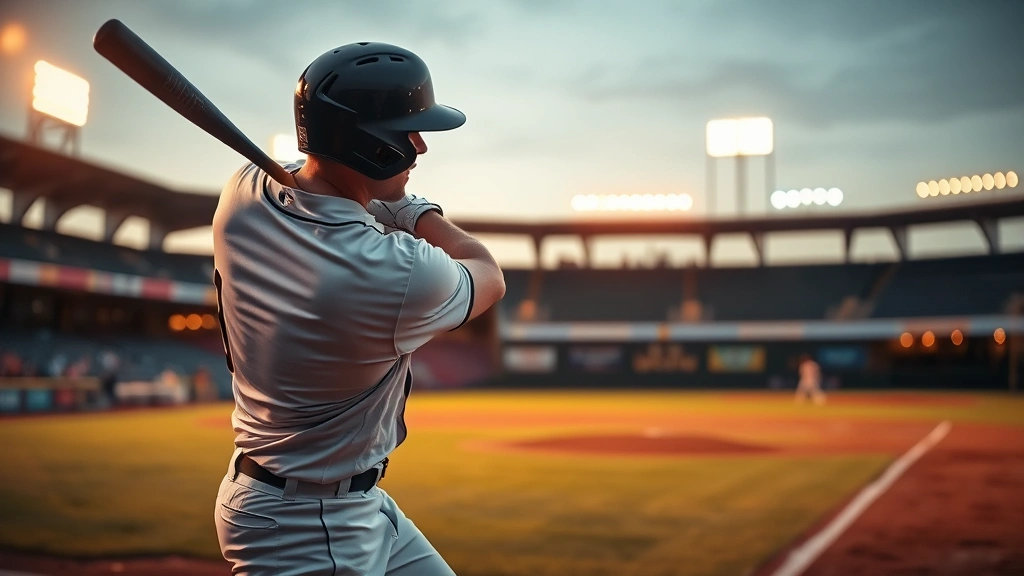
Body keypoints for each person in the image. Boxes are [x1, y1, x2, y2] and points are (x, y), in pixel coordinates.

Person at [212, 41, 505, 576]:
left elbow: (307, 178)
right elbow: (488, 274)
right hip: (307, 525)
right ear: (369, 145)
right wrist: (412, 210)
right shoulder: (392, 273)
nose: (419, 147)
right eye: (406, 132)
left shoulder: (242, 194)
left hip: (333, 501)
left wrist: (368, 195)